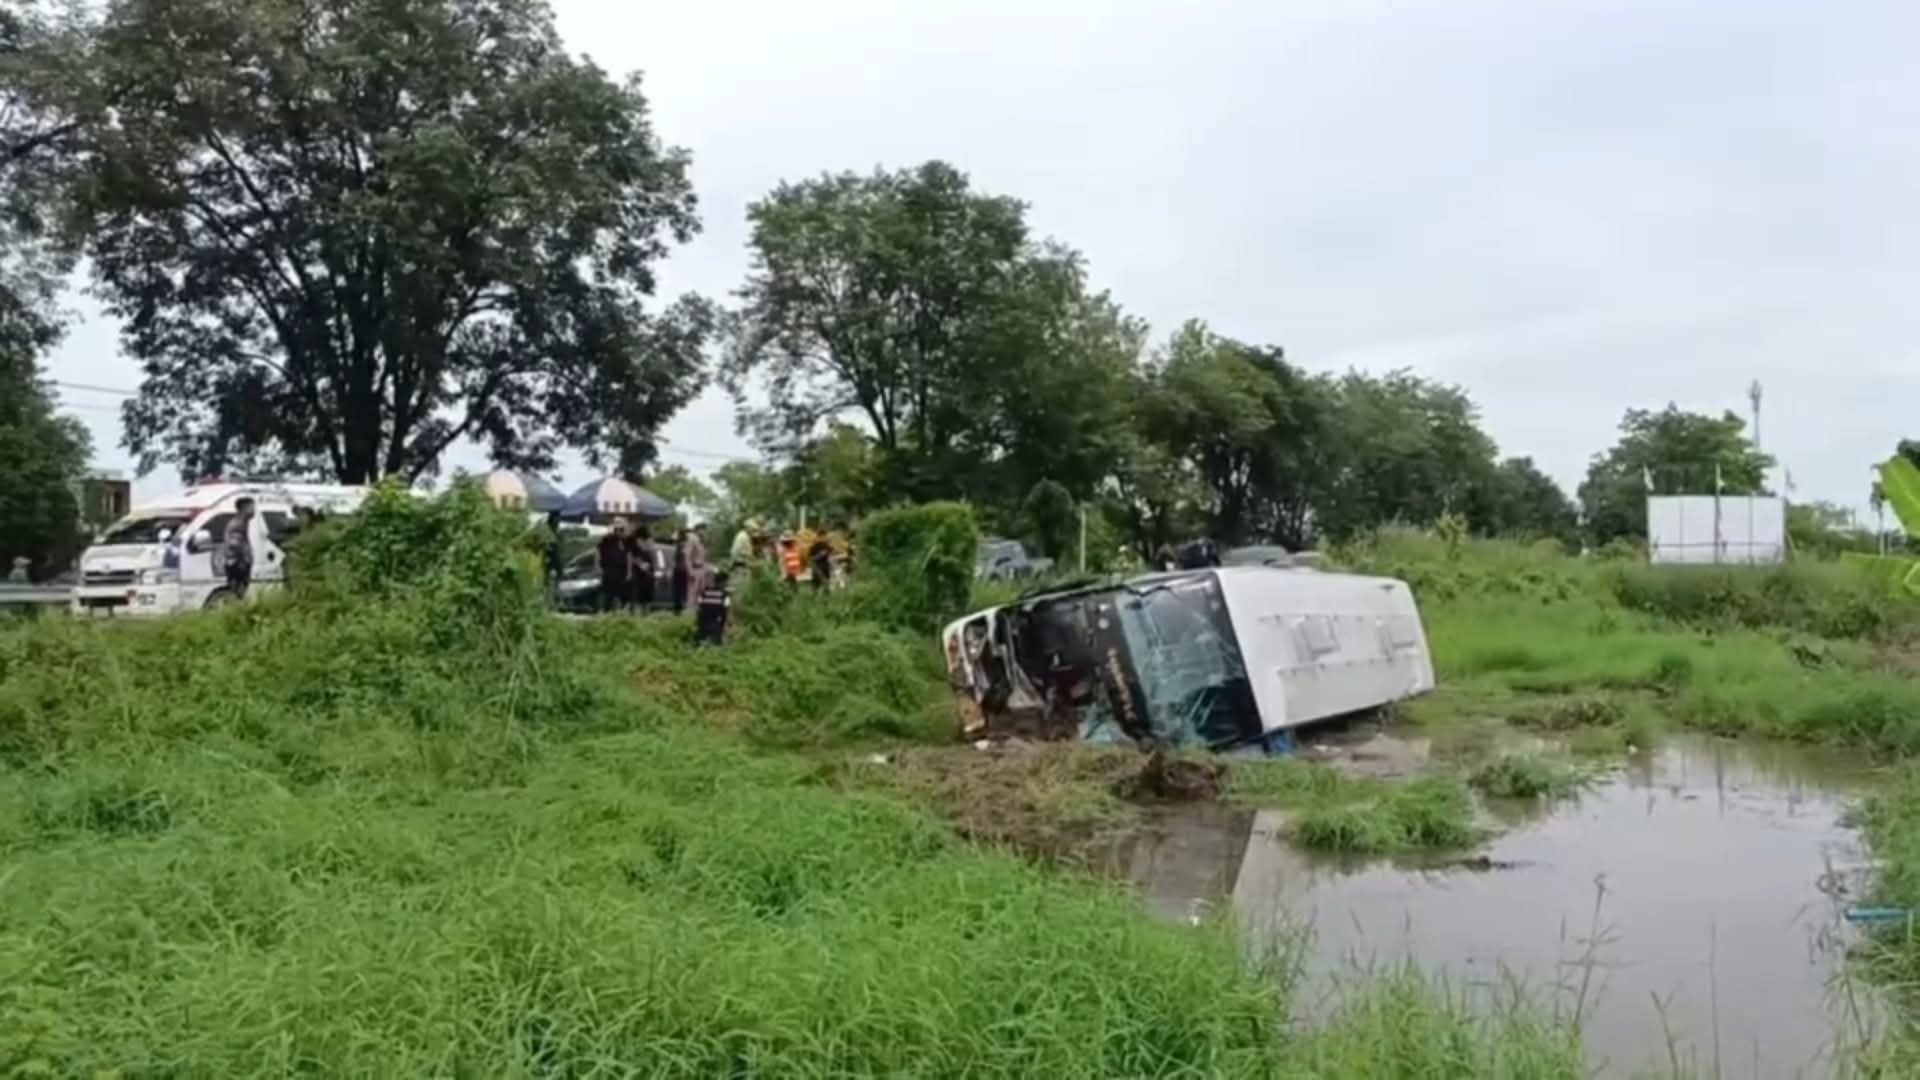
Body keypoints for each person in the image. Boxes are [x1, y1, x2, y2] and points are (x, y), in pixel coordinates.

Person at [223, 497, 257, 599]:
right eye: (252, 507)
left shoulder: (243, 523)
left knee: (239, 594)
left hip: (239, 563)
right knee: (238, 594)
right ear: (244, 508)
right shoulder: (237, 525)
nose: (254, 510)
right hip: (238, 565)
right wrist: (243, 560)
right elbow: (234, 545)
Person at [596, 518, 630, 614]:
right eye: (618, 529)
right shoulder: (607, 539)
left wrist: (629, 572)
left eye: (622, 529)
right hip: (609, 569)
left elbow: (629, 556)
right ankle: (601, 610)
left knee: (619, 592)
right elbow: (598, 552)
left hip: (621, 570)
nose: (619, 531)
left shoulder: (626, 541)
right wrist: (597, 566)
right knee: (605, 591)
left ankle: (617, 611)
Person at [693, 569, 733, 646]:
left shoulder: (704, 592)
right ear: (723, 582)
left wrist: (697, 622)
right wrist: (728, 626)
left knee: (701, 644)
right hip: (715, 624)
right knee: (715, 645)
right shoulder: (725, 595)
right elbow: (728, 611)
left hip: (702, 623)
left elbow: (698, 607)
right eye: (727, 582)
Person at [626, 526, 656, 611]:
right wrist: (641, 564)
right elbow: (631, 557)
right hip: (641, 571)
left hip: (644, 572)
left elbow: (630, 557)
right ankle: (643, 612)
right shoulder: (634, 542)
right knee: (641, 595)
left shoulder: (637, 542)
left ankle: (641, 612)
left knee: (642, 595)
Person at [671, 527, 692, 613]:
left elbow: (676, 558)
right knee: (684, 591)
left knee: (678, 591)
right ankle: (682, 608)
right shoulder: (686, 545)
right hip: (684, 570)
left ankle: (678, 609)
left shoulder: (680, 545)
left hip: (679, 570)